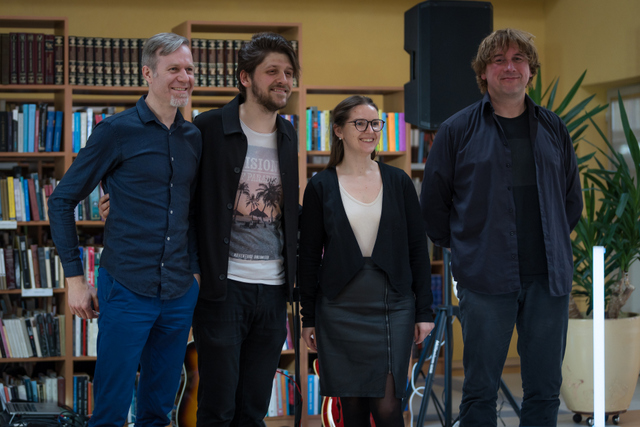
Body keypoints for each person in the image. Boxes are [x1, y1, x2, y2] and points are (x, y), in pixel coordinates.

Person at [420, 28, 583, 426]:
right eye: (499, 60)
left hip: (548, 280)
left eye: (518, 59)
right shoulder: (456, 130)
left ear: (531, 71)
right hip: (484, 278)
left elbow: (571, 201)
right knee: (480, 389)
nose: (509, 67)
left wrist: (552, 243)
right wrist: (468, 247)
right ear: (483, 73)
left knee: (545, 388)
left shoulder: (554, 128)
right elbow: (433, 205)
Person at [48, 33, 201, 426]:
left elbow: (194, 210)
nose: (184, 77)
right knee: (110, 411)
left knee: (159, 410)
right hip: (127, 288)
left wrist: (196, 274)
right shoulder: (115, 131)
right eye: (173, 68)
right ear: (147, 74)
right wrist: (75, 280)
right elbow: (61, 201)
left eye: (189, 69)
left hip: (179, 292)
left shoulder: (194, 137)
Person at [299, 96, 435, 427]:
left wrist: (424, 311)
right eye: (359, 123)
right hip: (338, 309)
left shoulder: (399, 181)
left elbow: (418, 249)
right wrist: (308, 317)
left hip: (393, 307)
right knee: (353, 411)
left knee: (388, 409)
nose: (370, 130)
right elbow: (309, 257)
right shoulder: (320, 186)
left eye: (375, 124)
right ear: (338, 130)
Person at [192, 32, 300, 426]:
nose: (283, 80)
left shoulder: (288, 134)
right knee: (217, 408)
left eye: (288, 72)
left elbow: (288, 209)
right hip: (223, 289)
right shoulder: (207, 128)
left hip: (273, 291)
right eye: (272, 71)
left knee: (253, 409)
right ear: (245, 77)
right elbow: (180, 193)